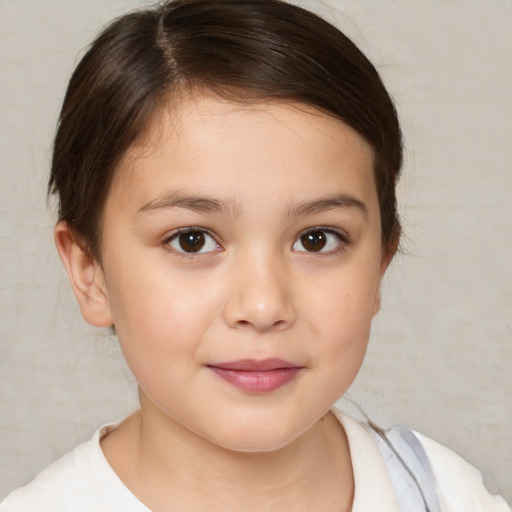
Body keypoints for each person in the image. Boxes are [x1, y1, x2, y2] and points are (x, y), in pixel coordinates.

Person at [1, 0, 509, 510]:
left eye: (317, 239)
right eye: (192, 240)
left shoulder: (452, 496)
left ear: (380, 263)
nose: (264, 307)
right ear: (91, 272)